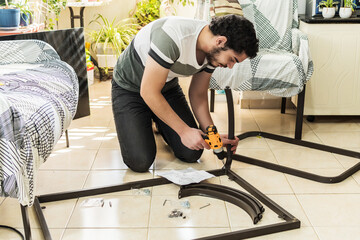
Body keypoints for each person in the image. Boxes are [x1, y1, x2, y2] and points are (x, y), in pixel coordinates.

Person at [112, 14, 259, 172]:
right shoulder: (171, 37)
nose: (230, 66)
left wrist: (213, 137)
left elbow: (198, 94)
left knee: (191, 152)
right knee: (140, 162)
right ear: (220, 41)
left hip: (166, 88)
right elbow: (148, 92)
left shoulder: (212, 52)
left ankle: (161, 121)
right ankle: (153, 118)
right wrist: (183, 130)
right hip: (130, 88)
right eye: (232, 59)